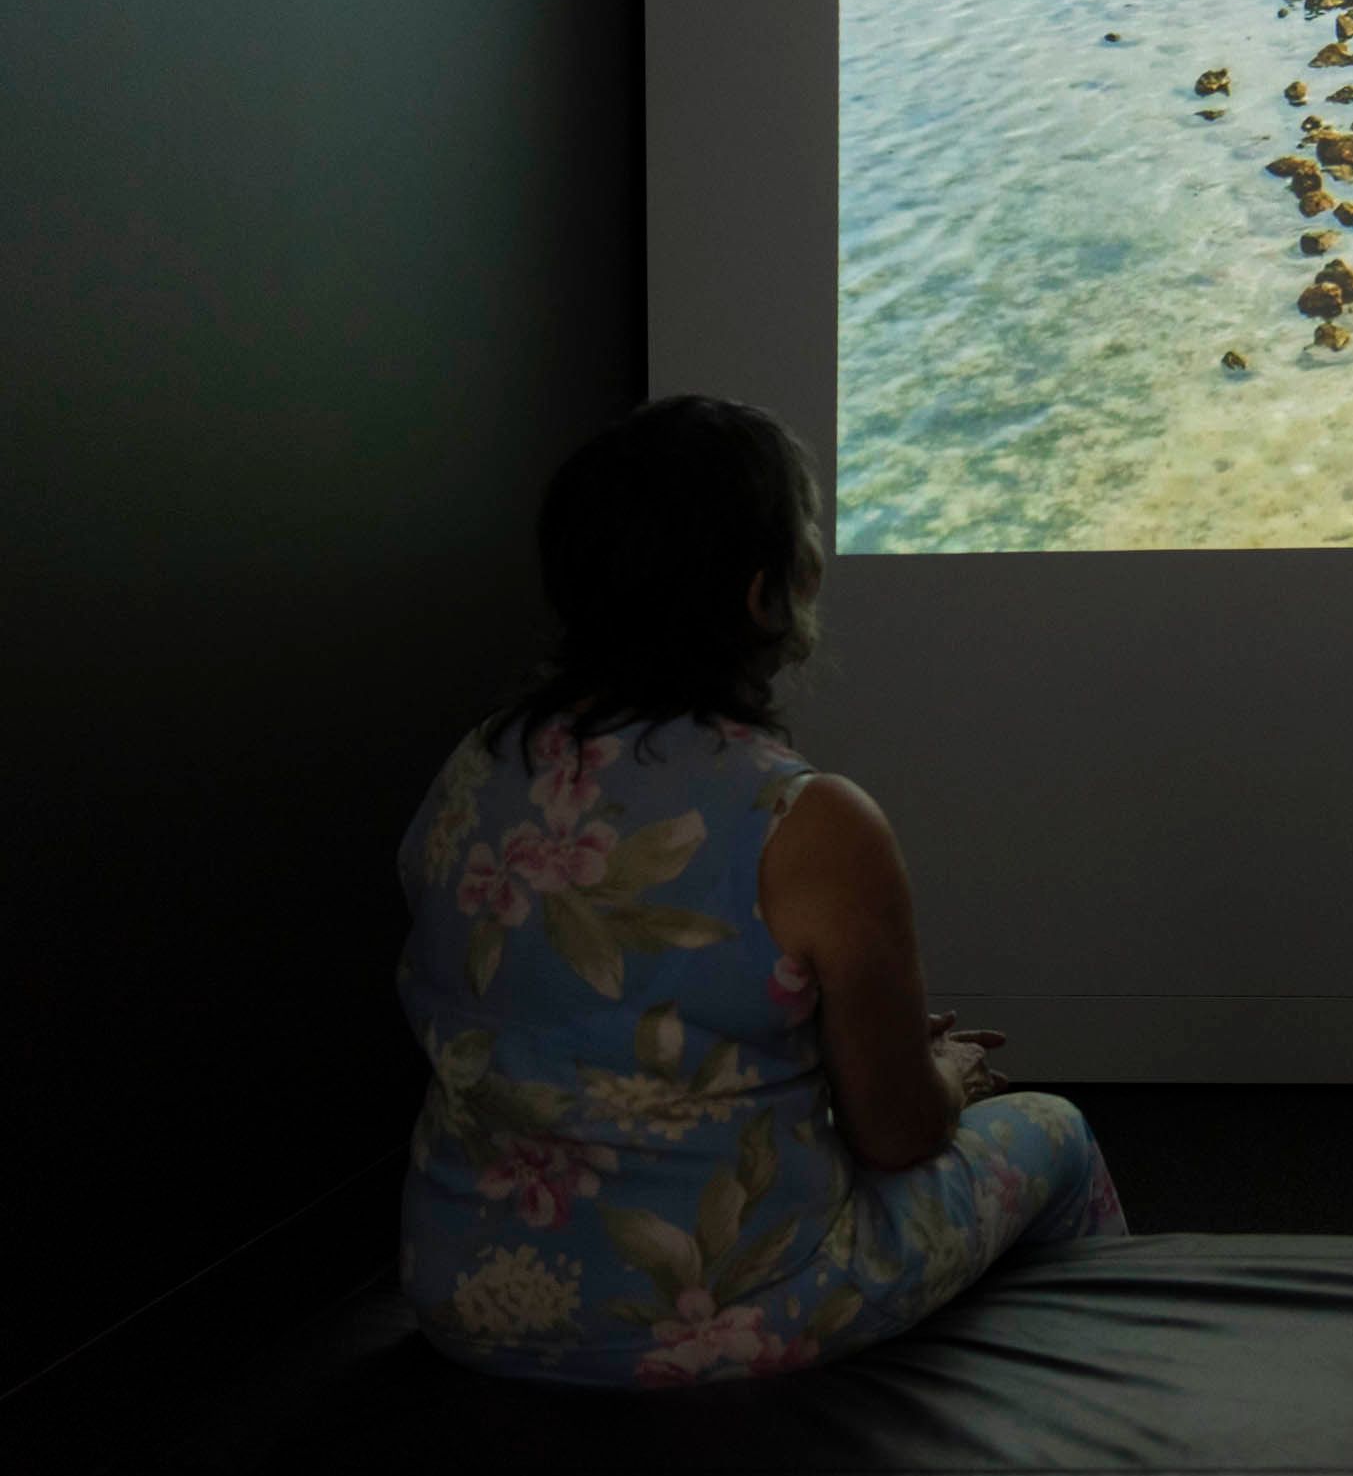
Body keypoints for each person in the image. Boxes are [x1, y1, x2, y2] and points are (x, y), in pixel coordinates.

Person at [392, 395, 1124, 1387]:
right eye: (810, 532)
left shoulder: (469, 771)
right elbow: (900, 1135)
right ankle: (1093, 1422)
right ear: (762, 594)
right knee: (1059, 1137)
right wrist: (944, 1070)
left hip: (464, 1295)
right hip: (714, 1316)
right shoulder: (808, 821)